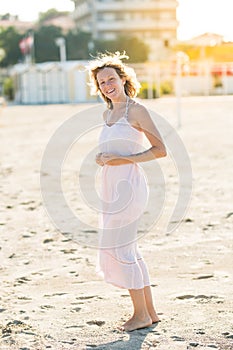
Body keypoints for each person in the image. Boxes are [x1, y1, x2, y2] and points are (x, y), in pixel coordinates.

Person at [88, 52, 167, 332]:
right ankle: (150, 312)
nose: (107, 85)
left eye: (111, 78)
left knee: (122, 249)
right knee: (129, 247)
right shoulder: (107, 113)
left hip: (130, 186)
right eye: (101, 82)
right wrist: (104, 158)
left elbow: (161, 151)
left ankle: (140, 315)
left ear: (123, 79)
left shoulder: (137, 110)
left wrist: (121, 160)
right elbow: (116, 149)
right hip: (111, 187)